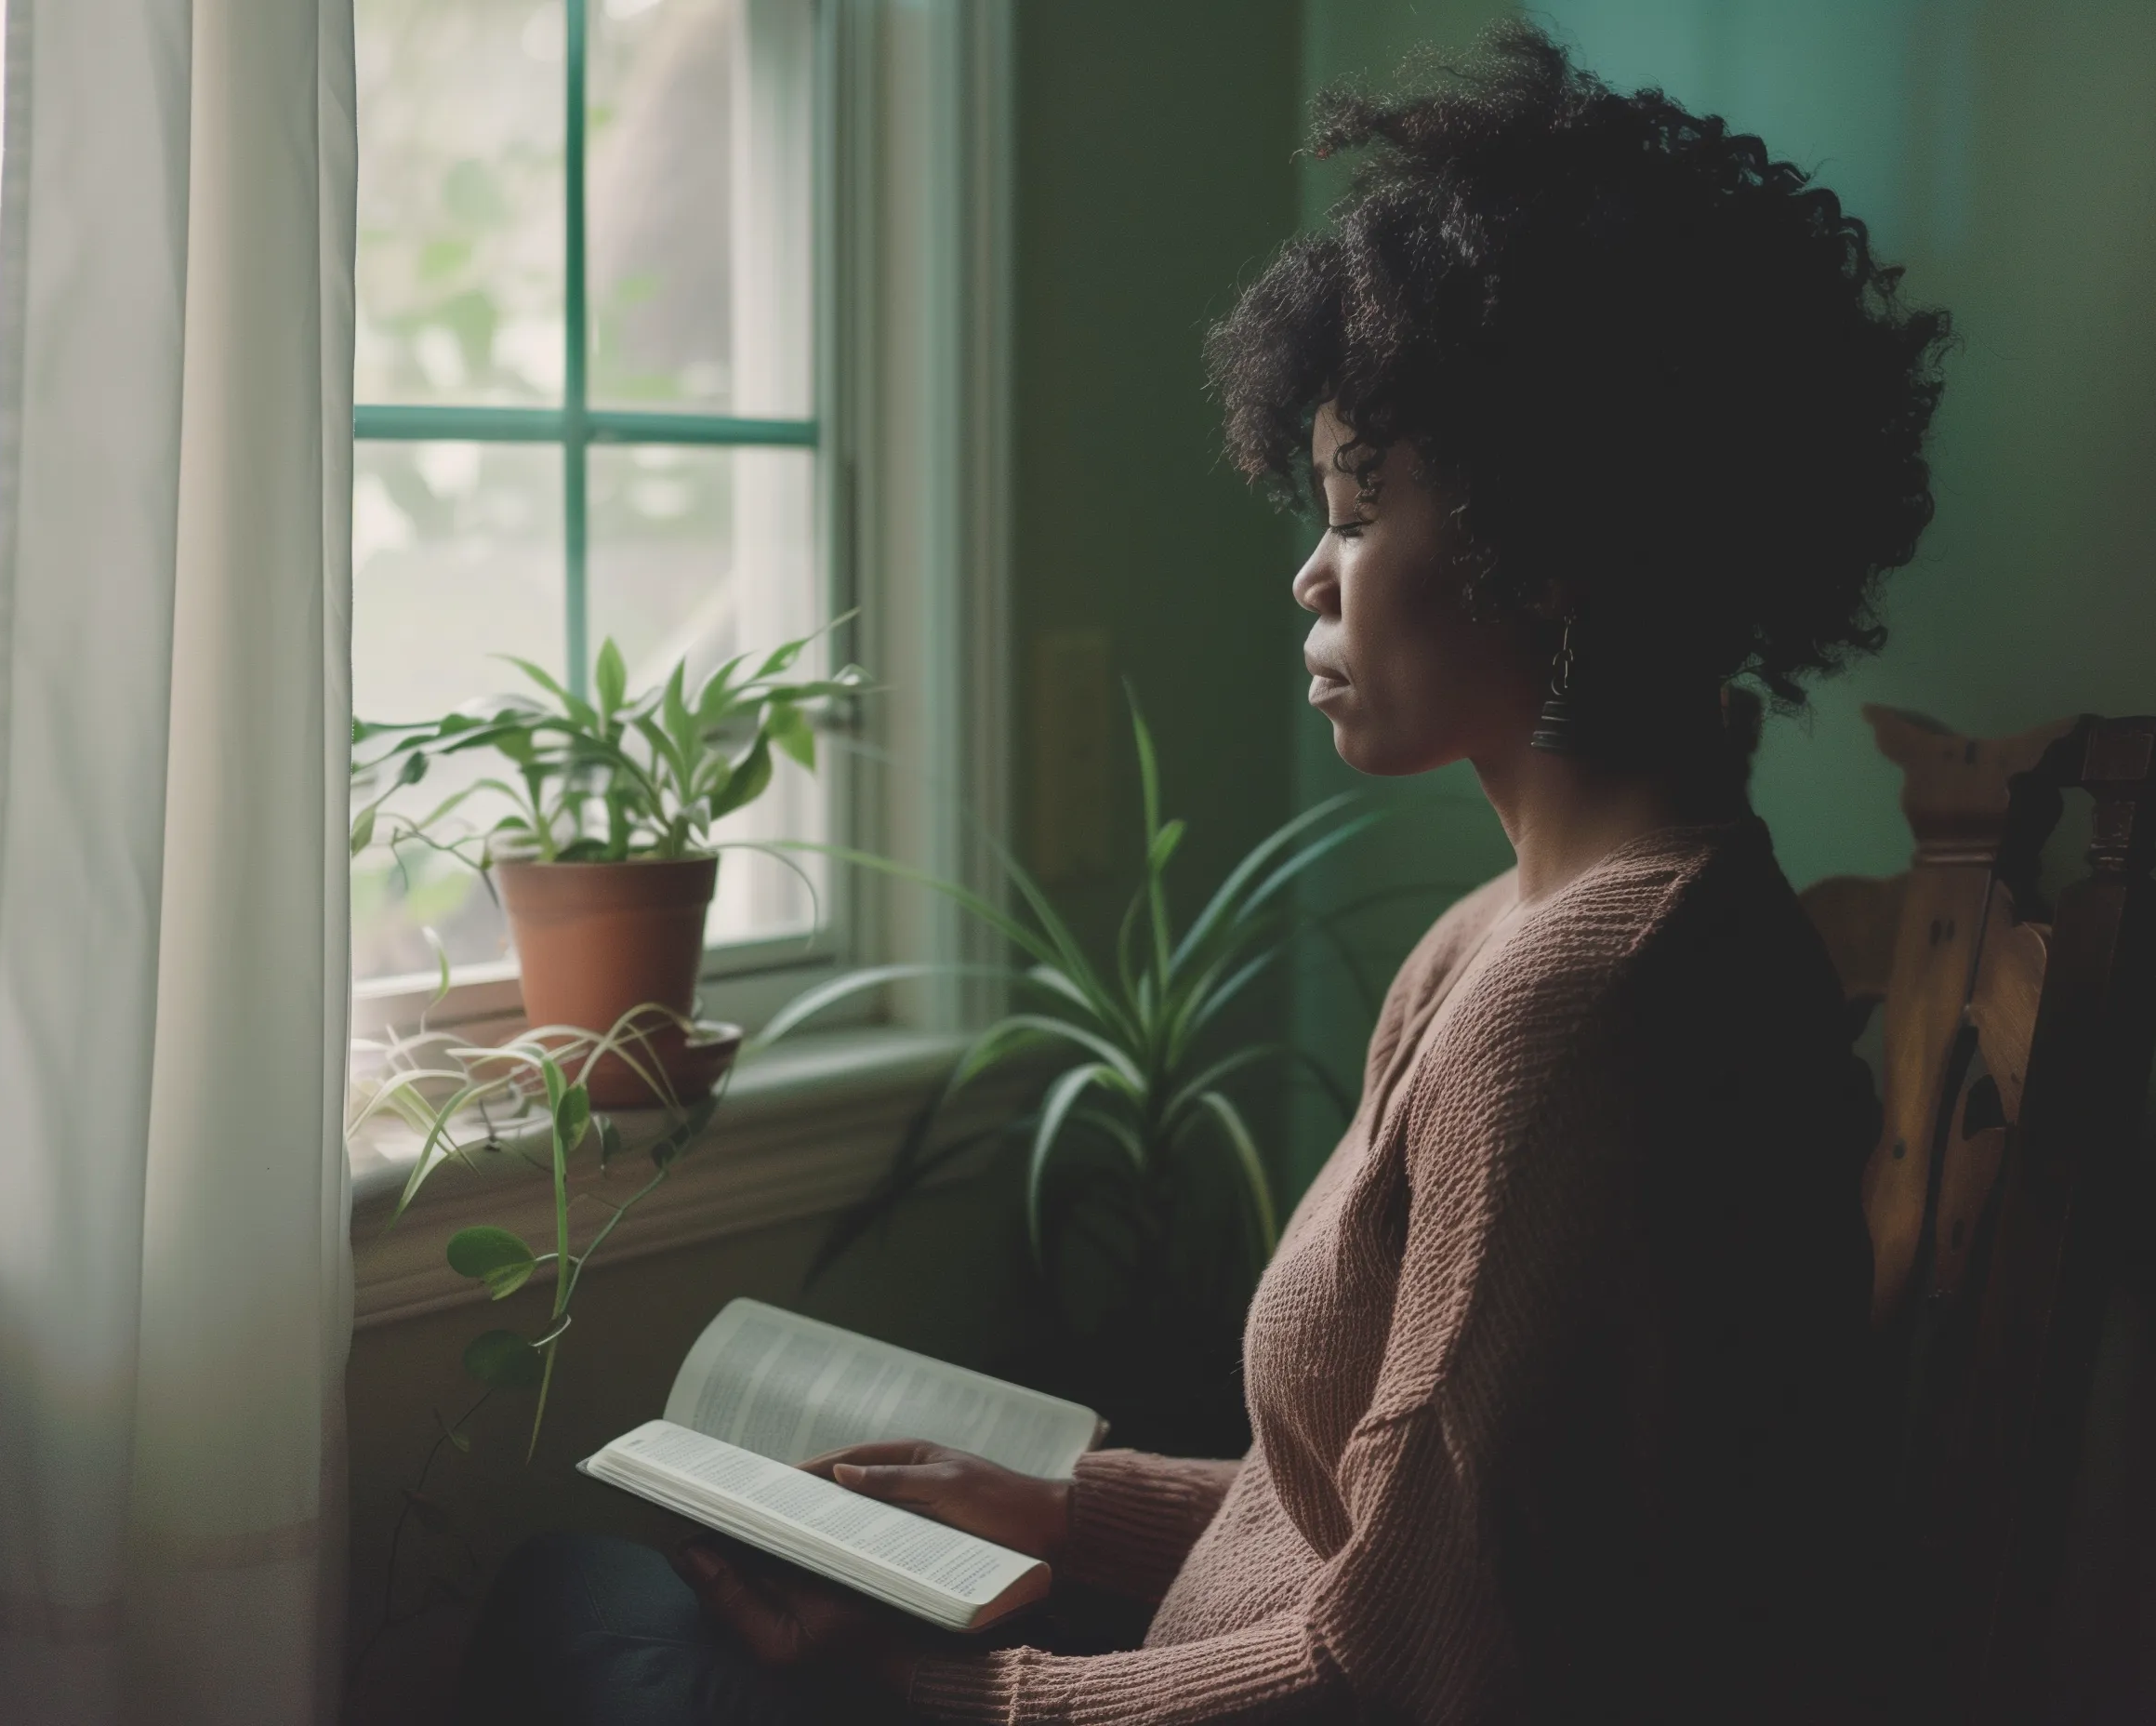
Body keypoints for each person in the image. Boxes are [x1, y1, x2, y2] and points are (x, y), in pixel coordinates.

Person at [456, 20, 1950, 1722]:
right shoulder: (1530, 927)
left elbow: (1379, 1678)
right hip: (1193, 1655)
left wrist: (944, 1693)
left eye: (1357, 508)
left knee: (573, 1618)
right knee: (601, 1604)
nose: (1308, 579)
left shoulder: (1582, 1006)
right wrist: (1050, 1507)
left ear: (1552, 545)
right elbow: (1366, 1524)